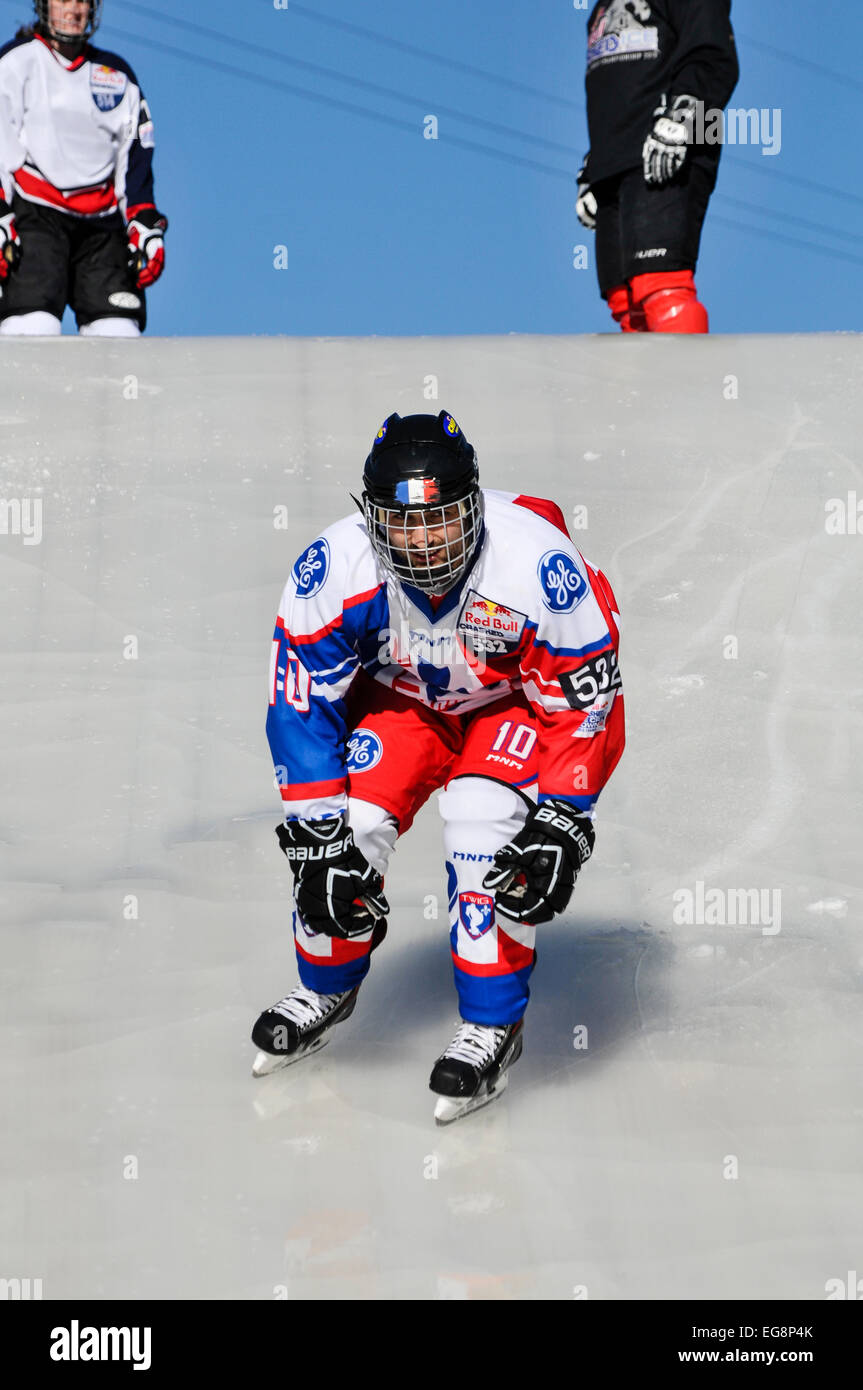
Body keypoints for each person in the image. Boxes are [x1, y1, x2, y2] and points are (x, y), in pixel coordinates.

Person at [252, 411, 625, 1124]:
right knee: (341, 837)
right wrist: (315, 835)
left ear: (475, 507)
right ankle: (325, 984)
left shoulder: (537, 566)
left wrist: (562, 822)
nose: (423, 543)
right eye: (401, 523)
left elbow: (584, 703)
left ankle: (491, 1021)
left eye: (444, 520)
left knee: (482, 822)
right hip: (407, 701)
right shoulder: (333, 569)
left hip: (512, 704)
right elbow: (299, 704)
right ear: (371, 519)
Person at [0, 0, 167, 336]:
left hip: (102, 228)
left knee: (118, 336)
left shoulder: (118, 76)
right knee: (33, 329)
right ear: (43, 4)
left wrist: (143, 220)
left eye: (82, 1)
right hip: (35, 218)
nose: (73, 10)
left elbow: (135, 157)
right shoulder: (16, 62)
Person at [576, 0, 738, 333]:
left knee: (662, 286)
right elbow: (614, 94)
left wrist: (684, 118)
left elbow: (713, 56)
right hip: (613, 167)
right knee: (625, 302)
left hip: (667, 150)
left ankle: (685, 382)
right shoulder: (601, 9)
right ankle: (638, 387)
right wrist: (592, 169)